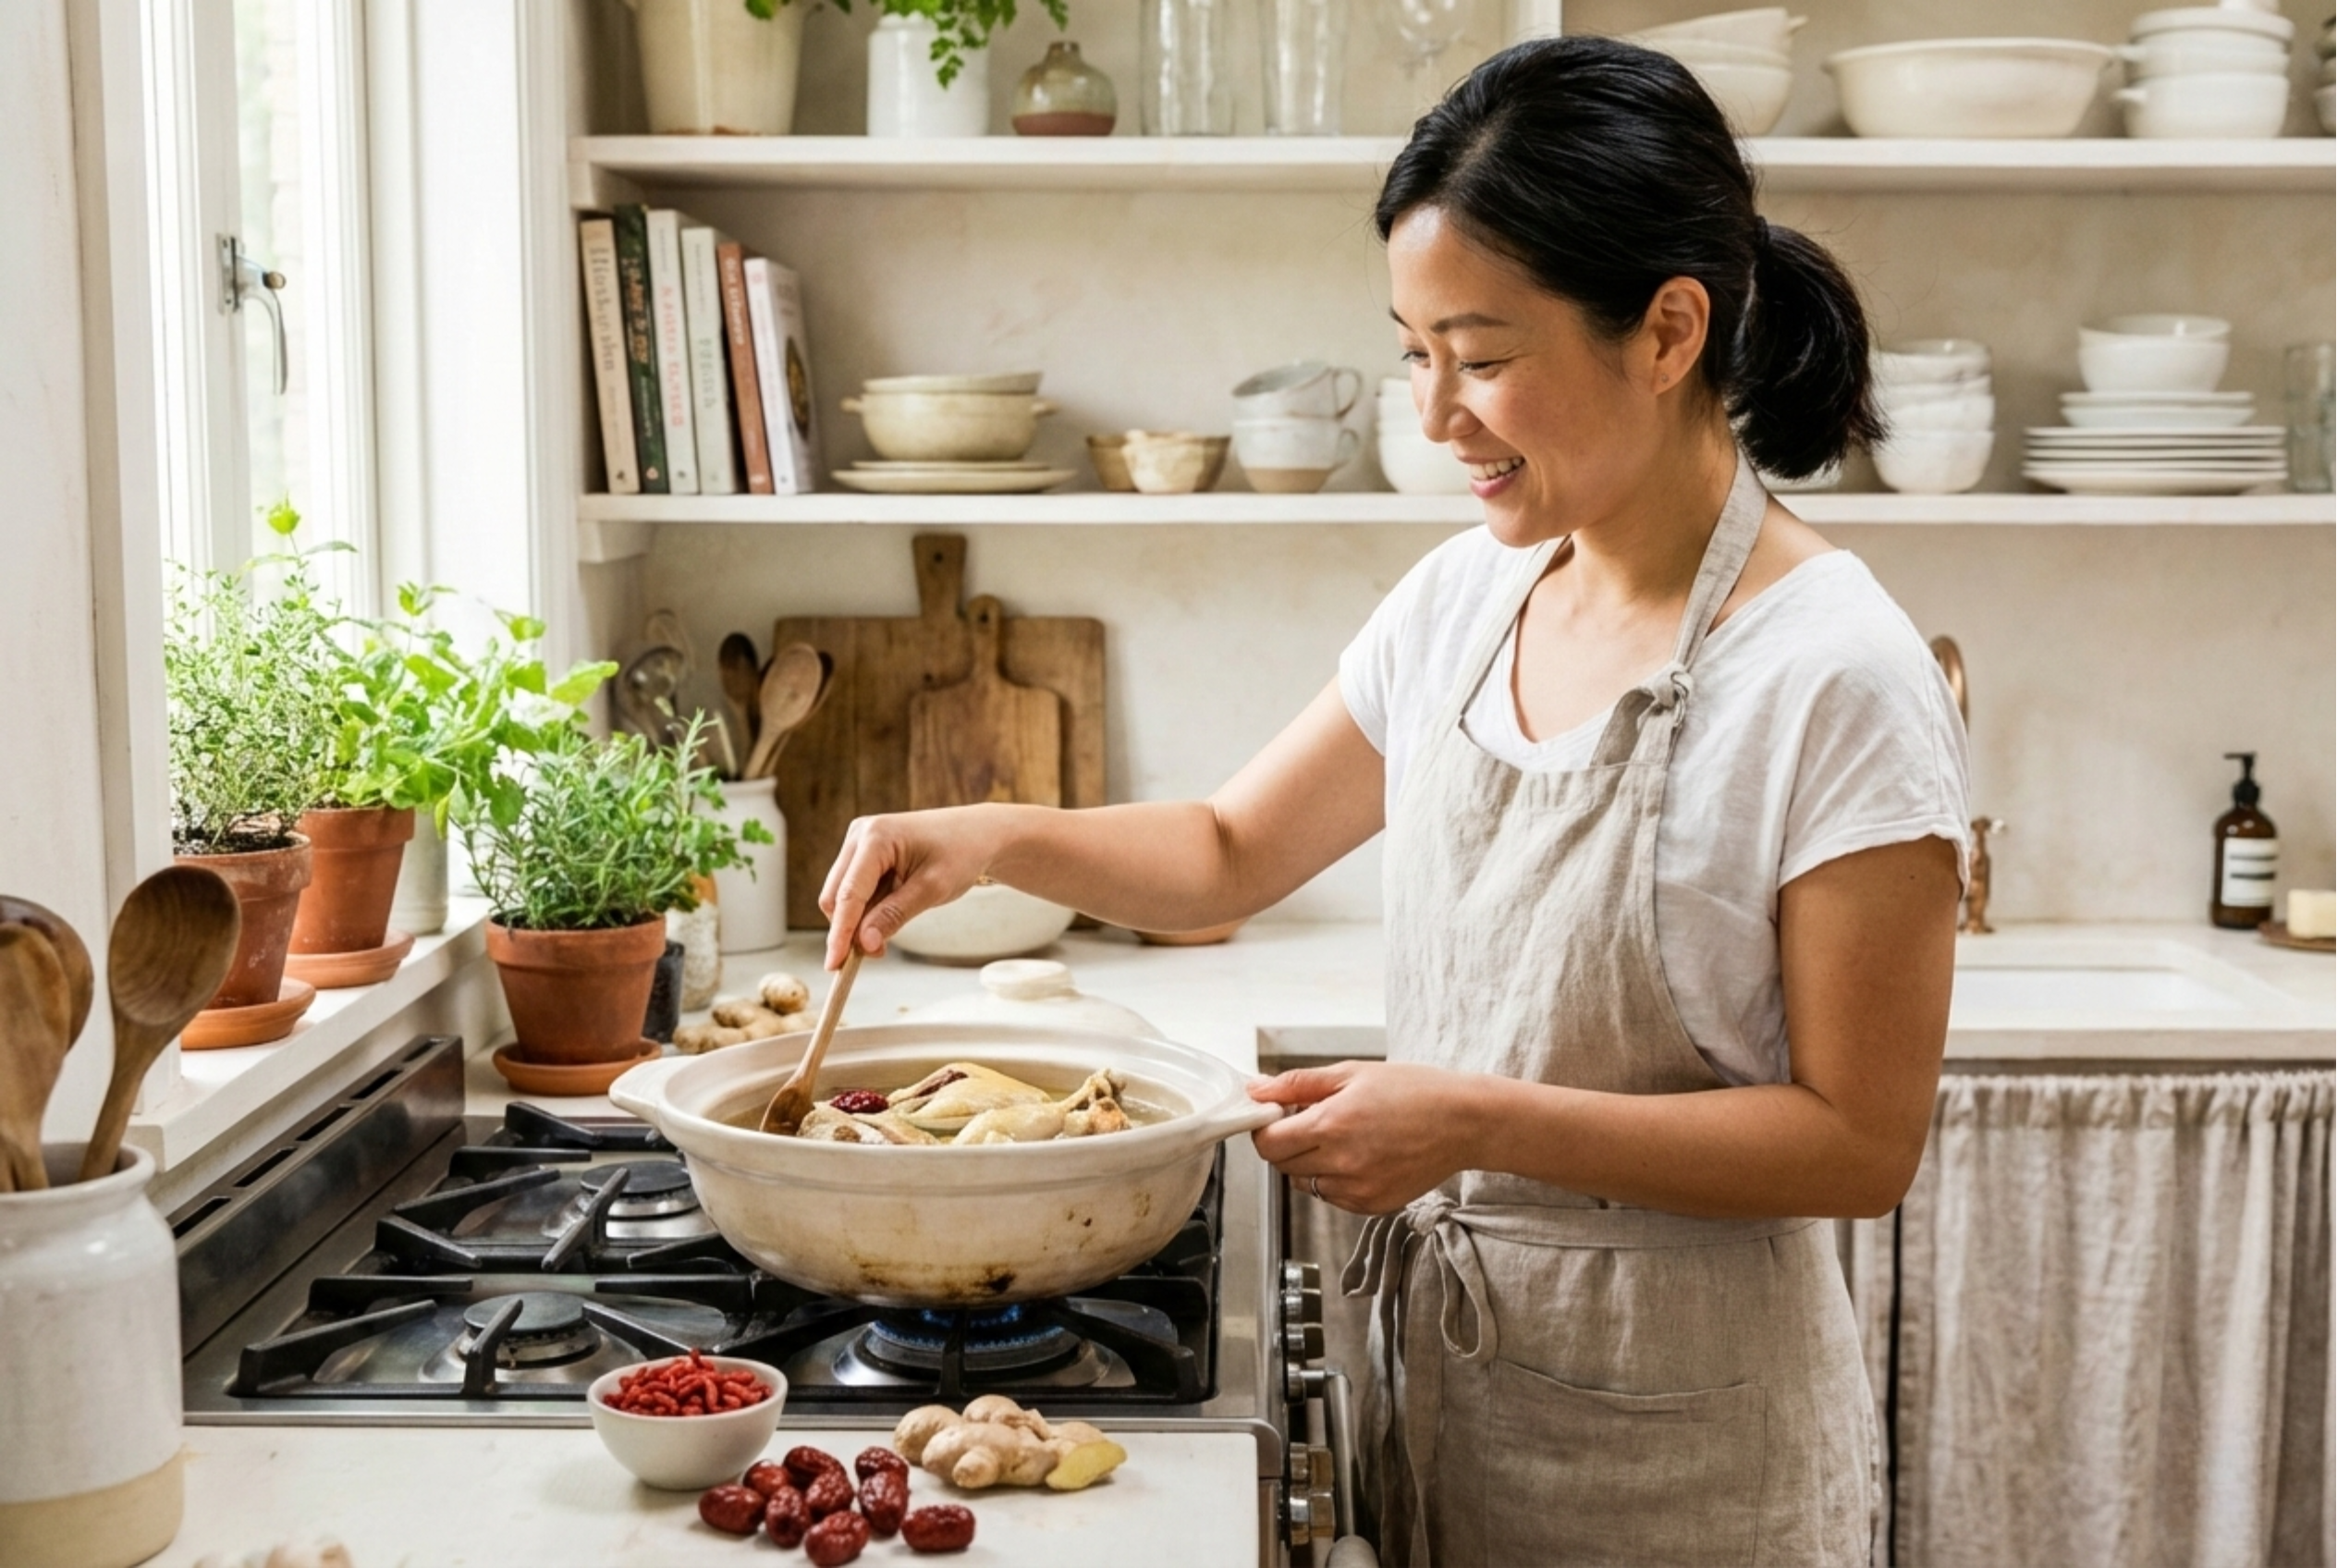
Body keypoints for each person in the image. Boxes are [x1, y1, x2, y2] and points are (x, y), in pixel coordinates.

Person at [820, 36, 1968, 1566]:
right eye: (1413, 351)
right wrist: (986, 836)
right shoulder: (1465, 601)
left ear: (1671, 330)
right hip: (1447, 1400)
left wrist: (1473, 1120)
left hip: (1694, 1455)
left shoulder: (1835, 673)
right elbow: (1229, 851)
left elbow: (1856, 1143)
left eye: (1484, 356)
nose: (1437, 419)